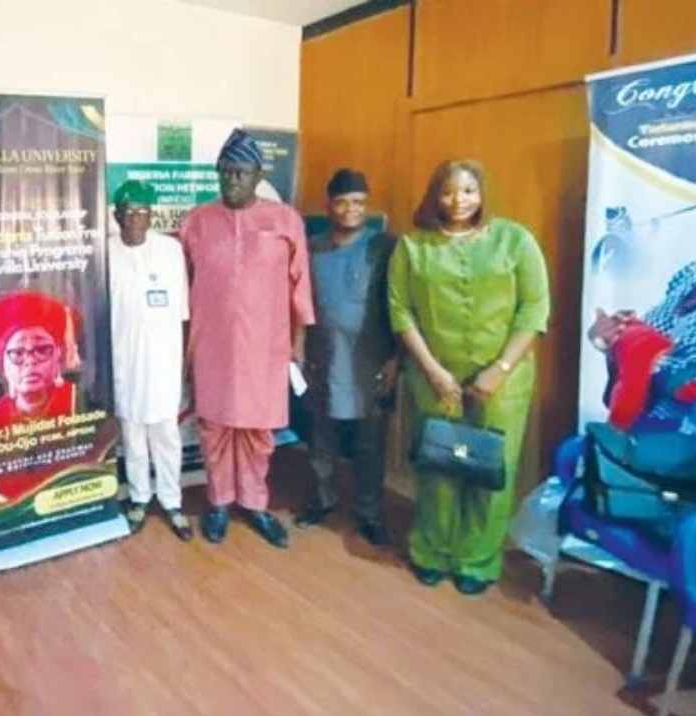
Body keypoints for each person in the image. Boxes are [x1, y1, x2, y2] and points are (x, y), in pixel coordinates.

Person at [388, 158, 550, 596]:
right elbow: (401, 312)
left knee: (488, 469)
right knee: (438, 465)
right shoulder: (414, 246)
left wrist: (498, 371)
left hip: (503, 383)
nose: (458, 201)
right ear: (434, 197)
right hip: (434, 379)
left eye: (468, 191)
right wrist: (433, 371)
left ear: (482, 194)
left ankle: (478, 559)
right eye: (448, 192)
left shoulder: (515, 240)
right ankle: (432, 551)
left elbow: (534, 310)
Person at [179, 128, 314, 548]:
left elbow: (301, 290)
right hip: (211, 345)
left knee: (258, 432)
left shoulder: (285, 220)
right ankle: (218, 502)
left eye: (240, 173)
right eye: (225, 173)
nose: (231, 181)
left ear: (258, 176)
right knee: (215, 428)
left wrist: (299, 350)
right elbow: (180, 283)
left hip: (266, 348)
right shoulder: (197, 221)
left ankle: (255, 503)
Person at [295, 169, 399, 547]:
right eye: (342, 202)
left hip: (371, 359)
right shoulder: (312, 248)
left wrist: (395, 360)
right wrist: (300, 346)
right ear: (329, 206)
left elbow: (401, 308)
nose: (350, 210)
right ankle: (322, 500)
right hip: (324, 357)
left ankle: (369, 512)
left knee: (370, 441)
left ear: (366, 206)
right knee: (321, 435)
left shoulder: (384, 247)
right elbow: (301, 303)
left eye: (358, 202)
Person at [108, 180, 192, 541]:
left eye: (144, 212)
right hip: (123, 362)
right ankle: (140, 498)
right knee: (133, 436)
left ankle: (172, 501)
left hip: (163, 364)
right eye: (129, 213)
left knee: (166, 435)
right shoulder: (106, 253)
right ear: (116, 216)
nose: (137, 220)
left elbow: (184, 314)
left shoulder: (171, 251)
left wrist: (185, 365)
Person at [588, 253, 696, 436]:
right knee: (572, 453)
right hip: (642, 423)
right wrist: (615, 335)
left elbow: (675, 377)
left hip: (689, 439)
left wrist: (634, 350)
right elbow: (646, 342)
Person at [0, 289, 86, 433]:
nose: (30, 361)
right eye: (17, 353)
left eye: (42, 350)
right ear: (2, 364)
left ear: (58, 356)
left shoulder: (81, 403)